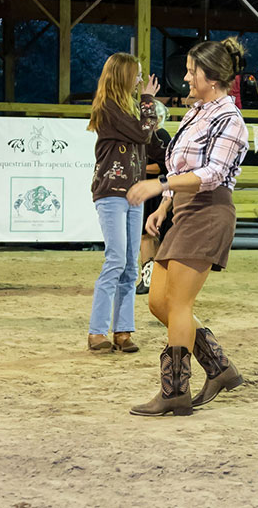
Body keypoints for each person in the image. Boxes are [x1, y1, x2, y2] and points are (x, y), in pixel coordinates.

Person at [125, 36, 248, 417]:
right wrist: (165, 205)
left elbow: (212, 174)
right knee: (158, 302)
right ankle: (218, 368)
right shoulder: (197, 113)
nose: (186, 77)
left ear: (211, 77)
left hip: (209, 212)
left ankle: (175, 391)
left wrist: (158, 186)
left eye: (192, 71)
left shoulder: (230, 120)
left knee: (178, 303)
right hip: (185, 211)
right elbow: (181, 166)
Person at [86, 53, 160, 352]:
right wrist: (148, 100)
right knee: (116, 259)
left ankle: (123, 330)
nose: (141, 80)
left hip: (133, 192)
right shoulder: (109, 107)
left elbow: (149, 138)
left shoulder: (129, 108)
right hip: (111, 191)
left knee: (130, 265)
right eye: (137, 74)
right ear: (124, 76)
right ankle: (97, 332)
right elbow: (144, 133)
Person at [136, 100, 174, 296]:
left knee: (147, 235)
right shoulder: (152, 137)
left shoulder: (161, 136)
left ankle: (148, 278)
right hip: (152, 190)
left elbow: (161, 167)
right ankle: (153, 277)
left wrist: (137, 168)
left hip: (156, 191)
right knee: (149, 235)